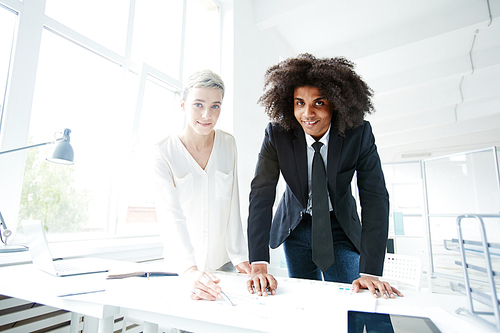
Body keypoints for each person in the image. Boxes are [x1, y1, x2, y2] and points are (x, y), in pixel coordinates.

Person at [246, 54, 403, 299]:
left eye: (318, 103)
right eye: (299, 102)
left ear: (337, 104)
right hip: (295, 228)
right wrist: (258, 261)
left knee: (356, 298)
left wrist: (370, 271)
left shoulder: (358, 134)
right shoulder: (277, 135)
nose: (307, 113)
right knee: (304, 302)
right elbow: (261, 195)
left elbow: (375, 198)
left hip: (339, 228)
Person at [154, 69, 251, 302]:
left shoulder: (228, 144)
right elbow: (170, 215)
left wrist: (240, 256)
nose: (207, 115)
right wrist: (189, 270)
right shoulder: (163, 152)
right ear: (183, 105)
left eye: (215, 106)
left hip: (223, 266)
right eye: (198, 104)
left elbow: (233, 204)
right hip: (182, 268)